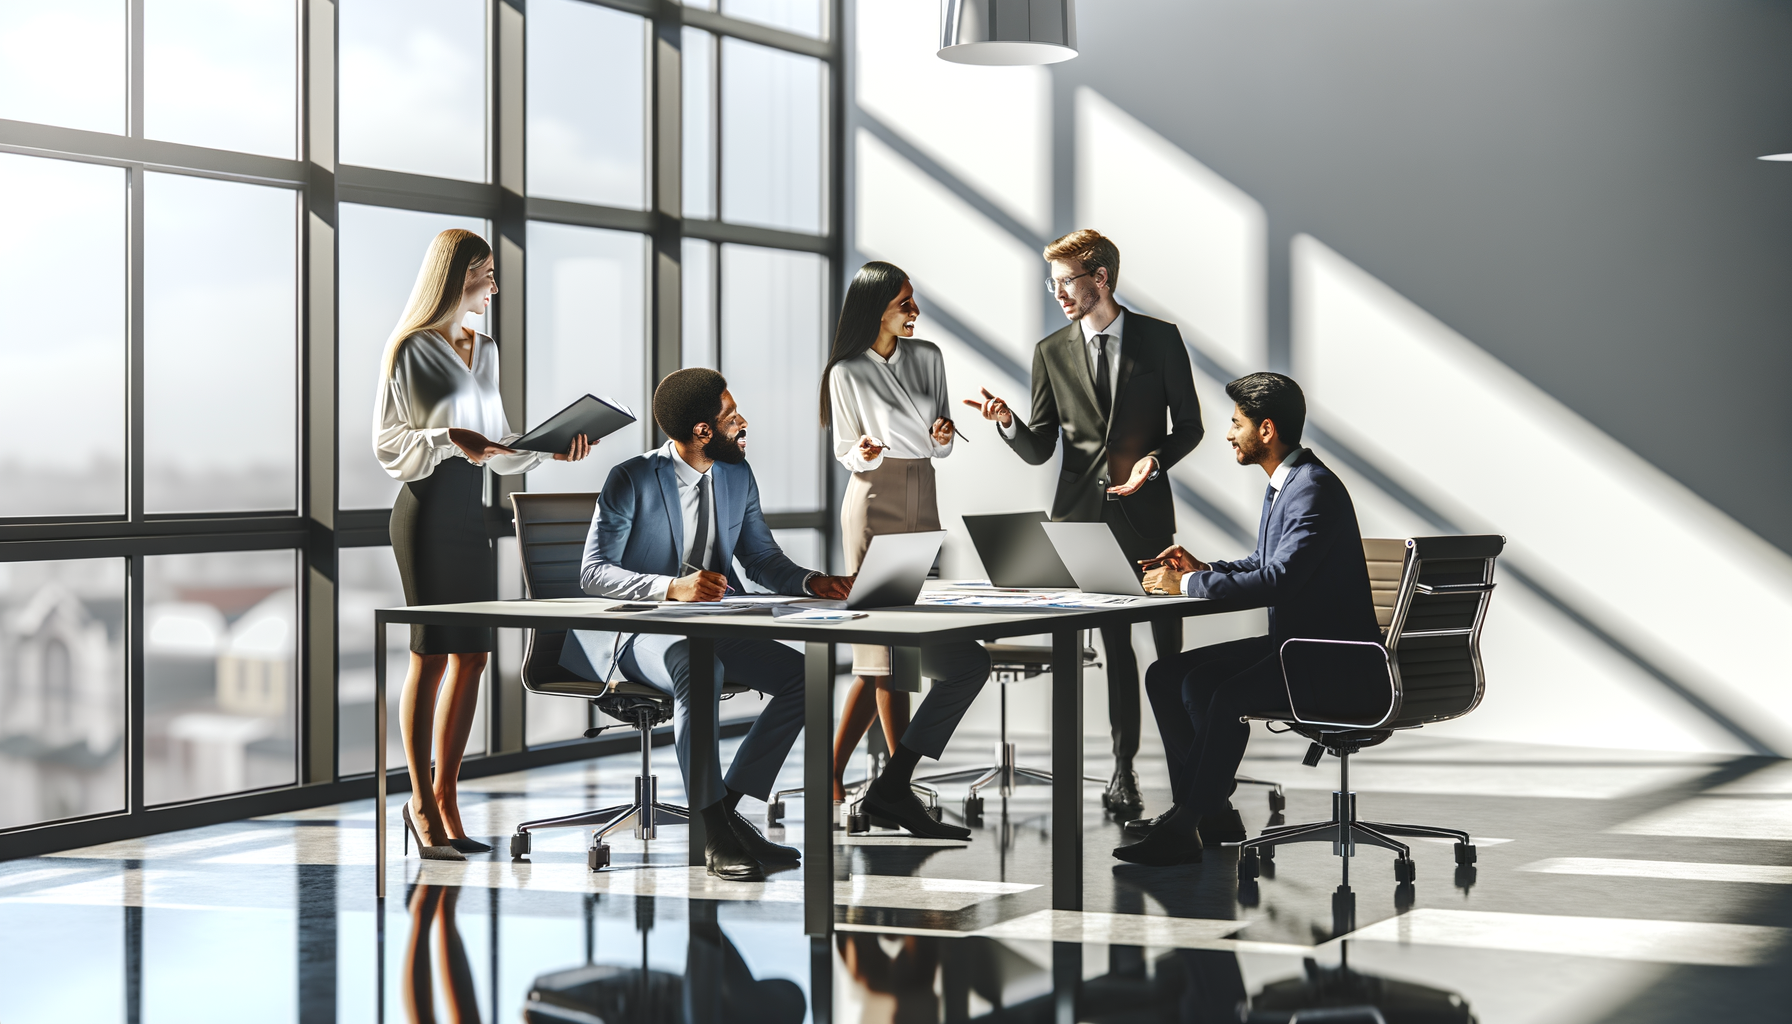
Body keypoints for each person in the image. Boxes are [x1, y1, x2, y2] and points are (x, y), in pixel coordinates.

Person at [559, 368, 991, 880]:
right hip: (640, 634)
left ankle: (724, 814)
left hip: (714, 623)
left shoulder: (736, 476)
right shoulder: (631, 478)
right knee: (698, 669)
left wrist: (815, 582)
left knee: (803, 678)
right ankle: (715, 829)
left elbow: (761, 558)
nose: (743, 422)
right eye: (731, 415)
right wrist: (671, 587)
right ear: (702, 430)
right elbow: (593, 572)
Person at [964, 228, 1204, 818]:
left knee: (1168, 652)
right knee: (1116, 648)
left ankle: (1191, 772)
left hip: (1145, 517)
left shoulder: (1159, 339)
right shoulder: (1051, 351)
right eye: (1052, 283)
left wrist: (1155, 461)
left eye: (1066, 281)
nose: (1058, 293)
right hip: (1082, 524)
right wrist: (1008, 422)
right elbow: (1041, 448)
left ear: (1101, 278)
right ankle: (1124, 771)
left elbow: (1190, 427)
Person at [374, 228, 592, 861]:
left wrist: (548, 450)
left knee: (472, 657)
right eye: (486, 273)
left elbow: (496, 446)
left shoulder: (485, 350)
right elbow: (390, 444)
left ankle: (447, 799)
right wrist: (449, 439)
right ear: (457, 275)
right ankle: (419, 803)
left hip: (472, 514)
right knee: (429, 656)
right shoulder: (411, 348)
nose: (494, 285)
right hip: (424, 510)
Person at [1113, 373, 1379, 866]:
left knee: (1222, 693)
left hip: (1328, 659)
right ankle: (1208, 813)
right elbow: (1263, 562)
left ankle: (1187, 822)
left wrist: (1187, 586)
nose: (1229, 434)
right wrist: (1202, 569)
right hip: (1296, 646)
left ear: (1267, 430)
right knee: (1168, 676)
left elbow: (1279, 581)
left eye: (1237, 424)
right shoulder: (1289, 484)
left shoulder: (1312, 489)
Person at [821, 262, 960, 810]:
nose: (914, 311)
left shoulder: (929, 357)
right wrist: (864, 451)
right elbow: (845, 451)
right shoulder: (846, 371)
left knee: (889, 653)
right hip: (873, 498)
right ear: (876, 309)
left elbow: (940, 443)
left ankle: (837, 773)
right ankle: (896, 789)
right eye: (904, 302)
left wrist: (943, 437)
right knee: (887, 650)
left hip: (922, 494)